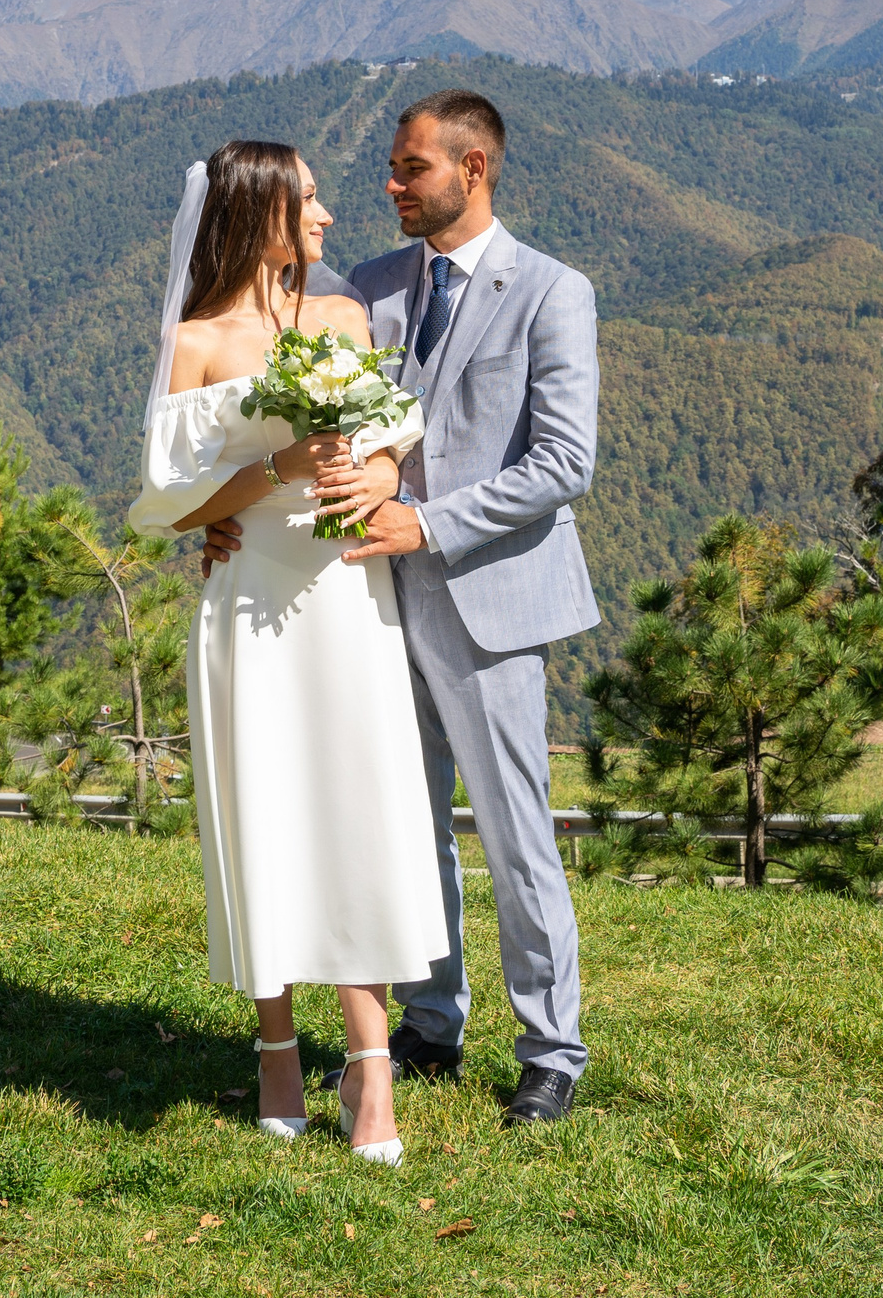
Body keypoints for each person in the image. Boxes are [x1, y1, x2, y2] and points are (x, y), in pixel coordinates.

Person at [204, 89, 600, 1127]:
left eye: (409, 169)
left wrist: (423, 521)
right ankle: (431, 1017)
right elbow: (251, 346)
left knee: (516, 836)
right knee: (403, 826)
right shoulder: (363, 289)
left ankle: (550, 1048)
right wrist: (220, 503)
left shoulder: (553, 293)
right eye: (387, 167)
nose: (390, 186)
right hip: (362, 607)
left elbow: (564, 462)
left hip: (486, 596)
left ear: (473, 170)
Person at [126, 138, 448, 1166]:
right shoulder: (196, 342)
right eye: (306, 200)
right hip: (247, 599)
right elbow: (167, 505)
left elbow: (393, 428)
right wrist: (268, 472)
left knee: (358, 815)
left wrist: (384, 475)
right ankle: (274, 1046)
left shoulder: (342, 319)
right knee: (262, 817)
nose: (325, 214)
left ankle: (368, 1067)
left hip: (348, 600)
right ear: (259, 212)